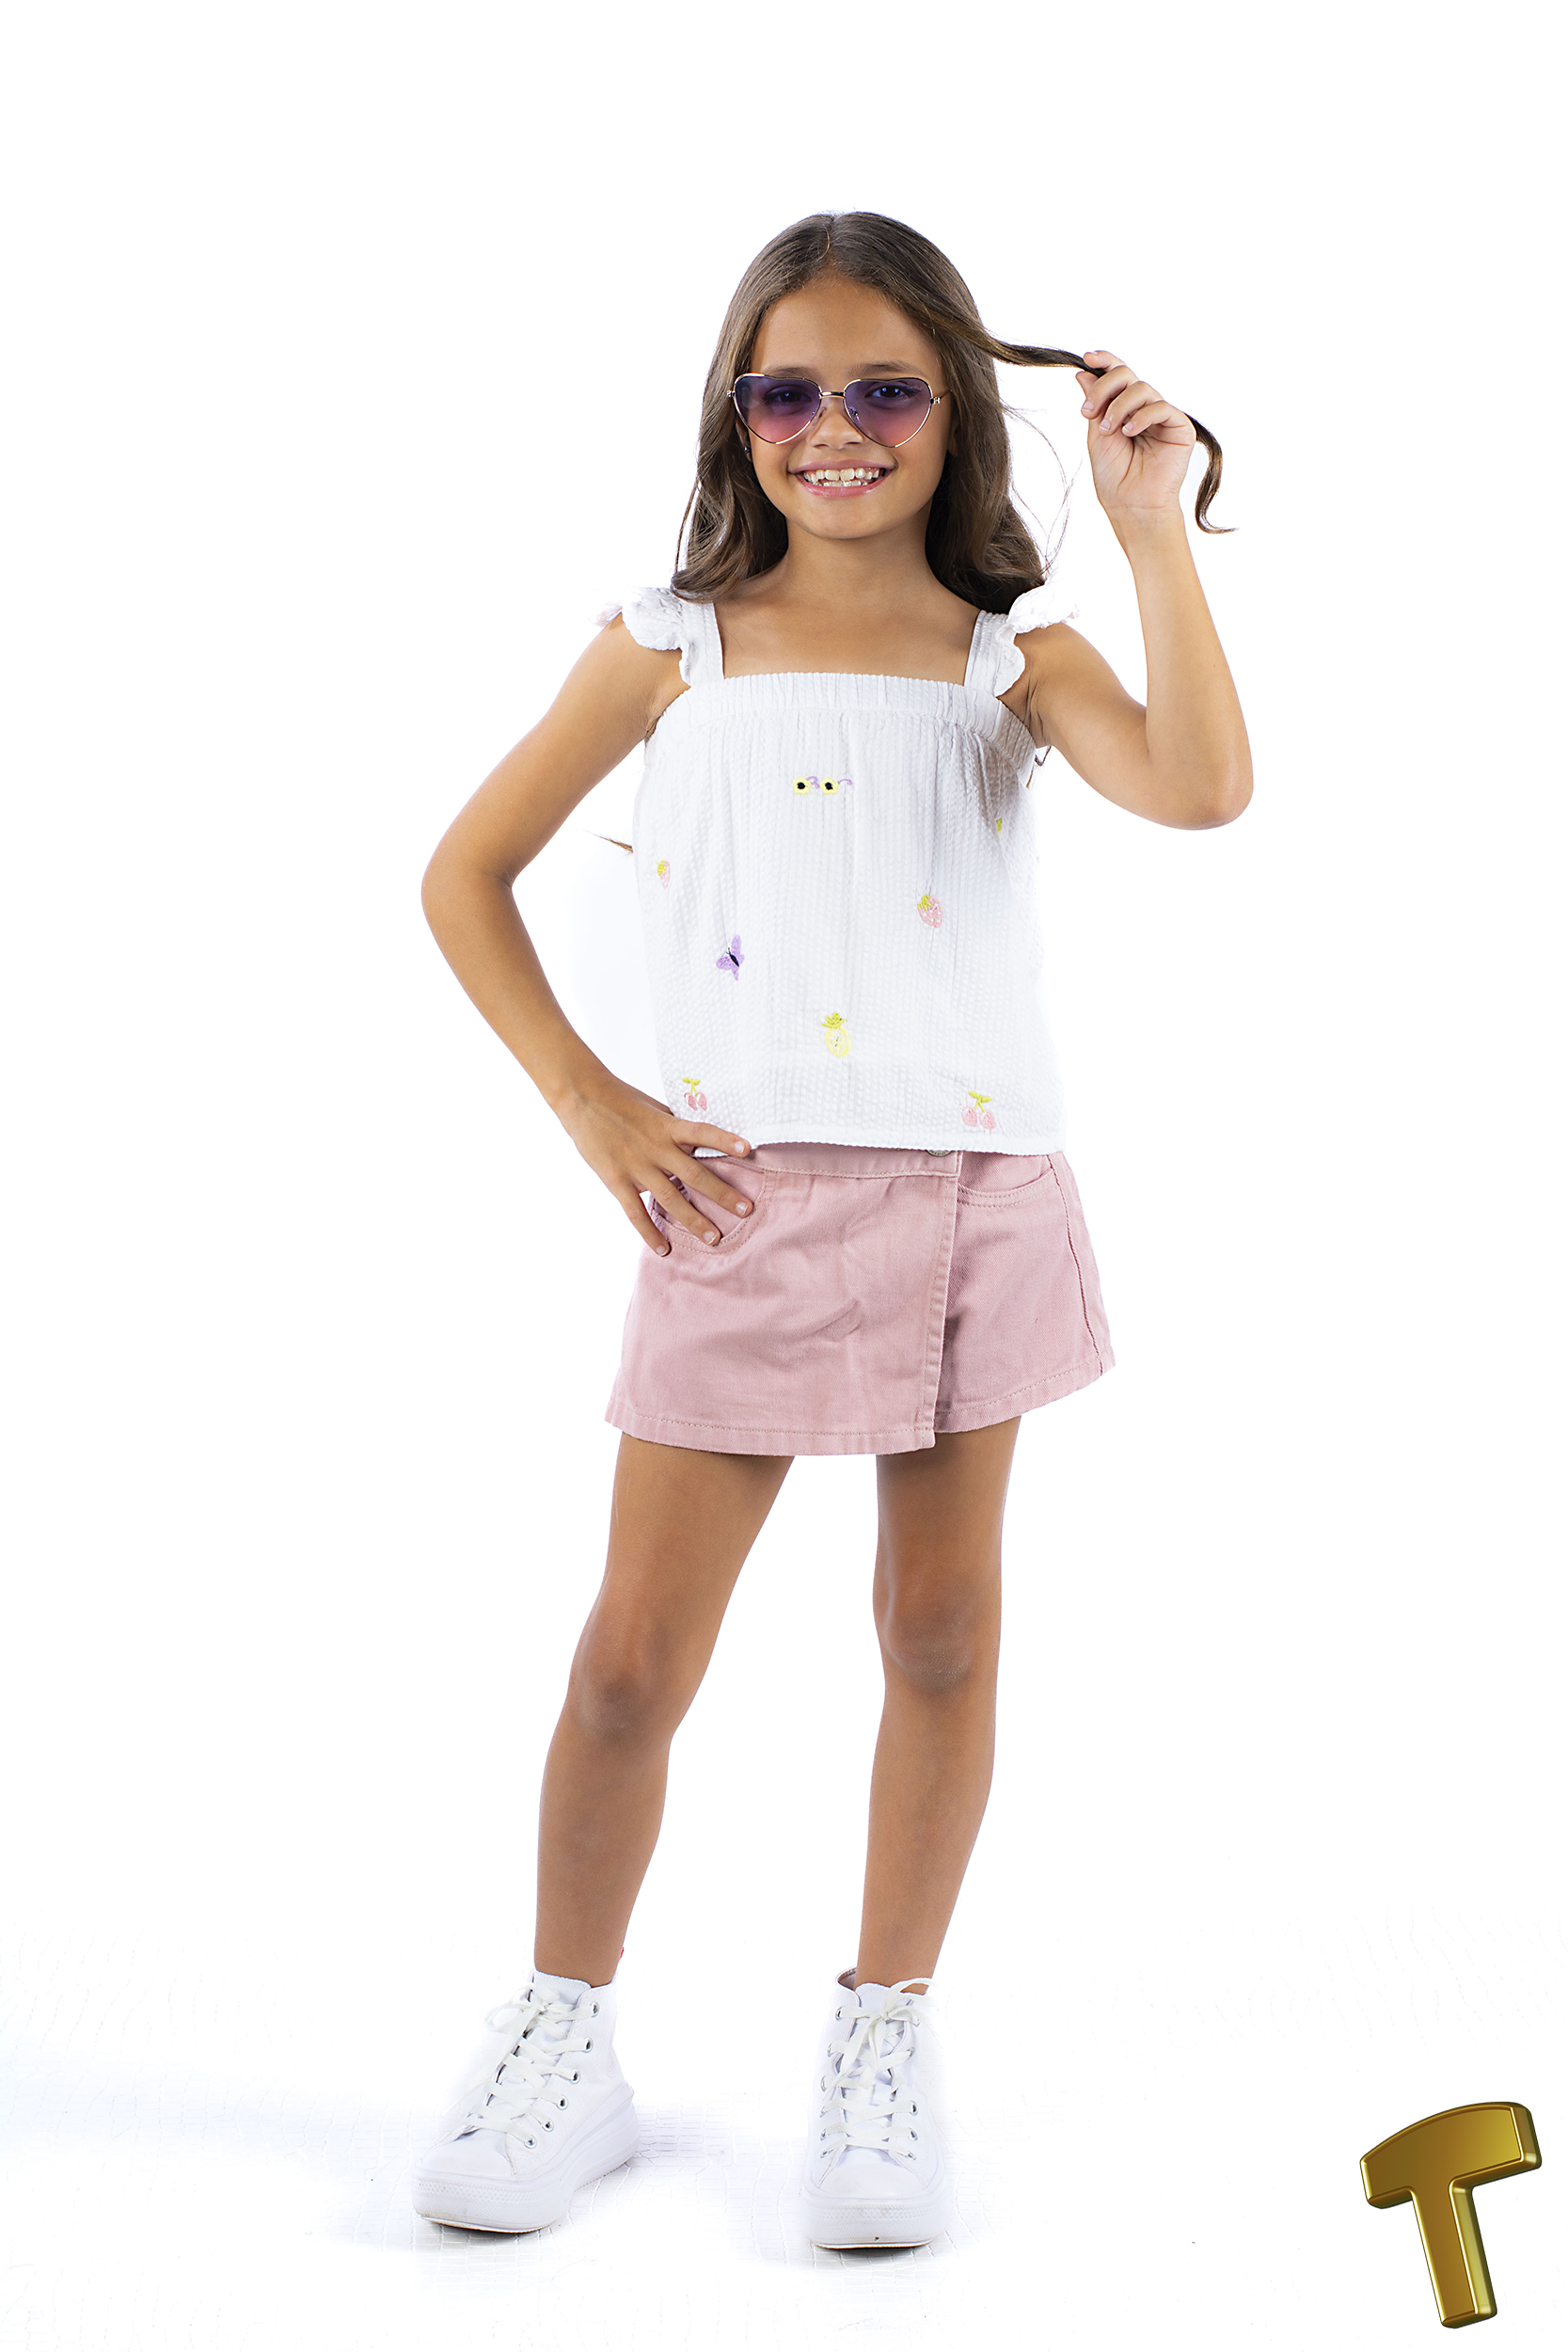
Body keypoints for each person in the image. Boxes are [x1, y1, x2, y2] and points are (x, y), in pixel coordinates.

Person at [412, 209, 1251, 2250]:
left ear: (955, 407)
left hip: (975, 1193)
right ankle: (564, 2028)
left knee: (941, 1635)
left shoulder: (1012, 657)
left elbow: (1202, 788)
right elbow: (464, 874)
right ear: (737, 411)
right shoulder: (671, 643)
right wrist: (595, 1103)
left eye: (886, 388)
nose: (835, 429)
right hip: (743, 1202)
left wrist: (1154, 532)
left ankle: (884, 2030)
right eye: (786, 391)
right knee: (632, 1660)